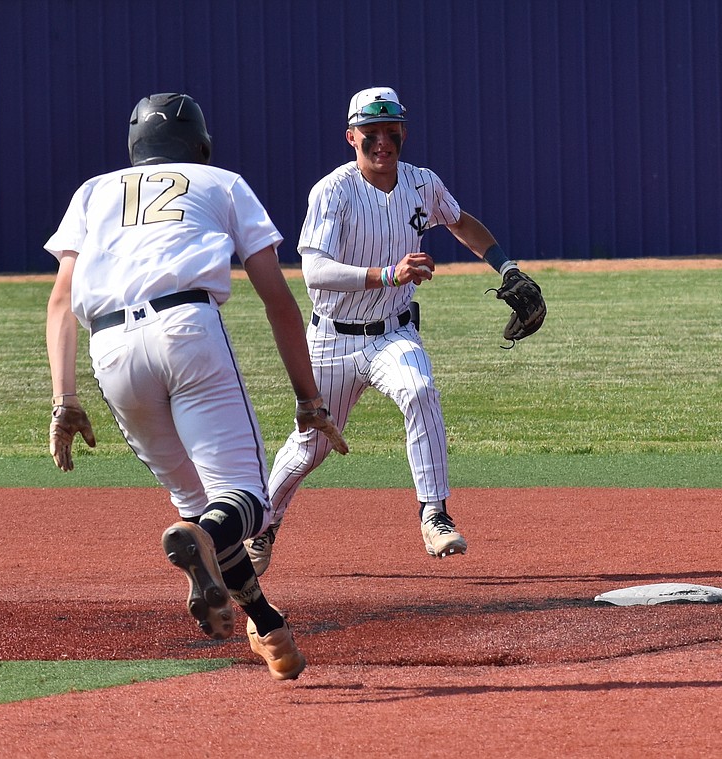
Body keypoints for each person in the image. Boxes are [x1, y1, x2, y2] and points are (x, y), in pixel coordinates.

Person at [45, 92, 349, 679]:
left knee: (198, 507)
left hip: (108, 348)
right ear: (200, 144)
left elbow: (61, 300)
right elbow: (277, 299)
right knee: (245, 504)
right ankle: (202, 542)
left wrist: (65, 400)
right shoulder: (221, 182)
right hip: (186, 327)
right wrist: (309, 399)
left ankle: (268, 628)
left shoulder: (93, 190)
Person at [246, 86, 544, 575]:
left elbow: (460, 221)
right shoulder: (332, 191)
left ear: (403, 132)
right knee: (309, 446)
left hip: (393, 333)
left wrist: (506, 267)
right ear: (351, 136)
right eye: (371, 133)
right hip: (332, 340)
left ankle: (435, 513)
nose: (382, 142)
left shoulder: (422, 183)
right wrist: (388, 273)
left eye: (391, 131)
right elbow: (314, 271)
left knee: (420, 389)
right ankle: (261, 528)